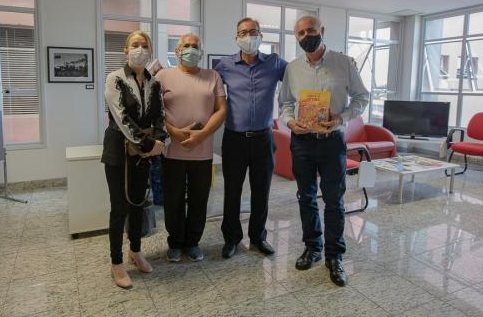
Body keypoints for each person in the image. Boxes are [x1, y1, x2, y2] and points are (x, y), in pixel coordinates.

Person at [278, 15, 369, 287]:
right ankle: (312, 247)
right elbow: (285, 104)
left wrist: (342, 117)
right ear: (296, 37)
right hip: (302, 142)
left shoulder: (344, 63)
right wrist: (290, 122)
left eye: (311, 30)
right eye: (301, 33)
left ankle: (334, 256)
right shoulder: (292, 68)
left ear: (322, 31)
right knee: (306, 198)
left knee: (334, 200)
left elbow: (362, 97)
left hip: (332, 142)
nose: (307, 36)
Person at [214, 17, 288, 259]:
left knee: (261, 191)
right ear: (236, 37)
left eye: (253, 31)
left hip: (263, 139)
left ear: (261, 35)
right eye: (243, 32)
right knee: (232, 191)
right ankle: (232, 238)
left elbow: (300, 73)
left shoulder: (275, 63)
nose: (248, 36)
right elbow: (204, 86)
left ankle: (258, 237)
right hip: (234, 139)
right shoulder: (225, 66)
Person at [101, 30, 167, 289]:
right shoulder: (115, 78)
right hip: (119, 149)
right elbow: (121, 117)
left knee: (138, 202)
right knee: (119, 207)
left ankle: (136, 251)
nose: (140, 49)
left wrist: (159, 141)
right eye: (135, 45)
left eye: (145, 45)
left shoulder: (154, 82)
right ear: (126, 50)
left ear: (150, 50)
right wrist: (150, 144)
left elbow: (159, 116)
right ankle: (116, 262)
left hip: (144, 151)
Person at [156, 33, 227, 262]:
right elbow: (154, 111)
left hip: (203, 152)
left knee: (199, 199)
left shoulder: (212, 76)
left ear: (201, 52)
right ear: (177, 51)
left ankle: (193, 242)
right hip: (172, 151)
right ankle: (176, 242)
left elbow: (222, 109)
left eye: (195, 46)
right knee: (173, 199)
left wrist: (202, 135)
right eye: (186, 45)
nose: (191, 49)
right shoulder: (163, 76)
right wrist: (173, 132)